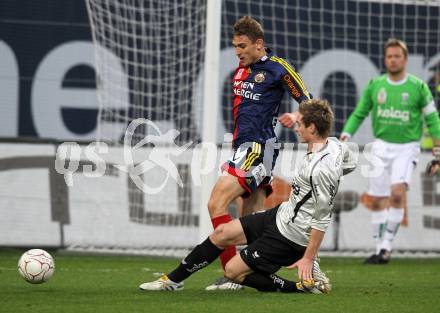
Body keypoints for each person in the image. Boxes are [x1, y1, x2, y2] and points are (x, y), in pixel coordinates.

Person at [139, 99, 356, 293]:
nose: (296, 128)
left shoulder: (320, 170)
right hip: (281, 215)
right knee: (222, 233)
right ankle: (172, 281)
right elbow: (350, 163)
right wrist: (336, 174)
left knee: (233, 272)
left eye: (300, 124)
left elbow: (322, 219)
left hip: (291, 236)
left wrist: (308, 257)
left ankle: (301, 287)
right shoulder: (336, 145)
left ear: (312, 127)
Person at [204, 16, 312, 290]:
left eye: (242, 46)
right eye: (235, 46)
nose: (237, 51)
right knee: (250, 221)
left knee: (216, 202)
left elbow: (307, 100)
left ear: (259, 44)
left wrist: (296, 114)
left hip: (259, 148)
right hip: (246, 148)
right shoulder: (242, 70)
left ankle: (230, 273)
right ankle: (259, 269)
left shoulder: (278, 68)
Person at [340, 38, 440, 264]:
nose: (393, 60)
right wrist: (346, 135)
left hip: (407, 147)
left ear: (405, 60)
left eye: (397, 56)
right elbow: (359, 113)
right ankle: (378, 249)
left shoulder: (418, 86)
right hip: (381, 146)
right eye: (389, 56)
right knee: (376, 201)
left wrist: (437, 150)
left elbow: (433, 119)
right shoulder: (376, 85)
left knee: (396, 193)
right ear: (385, 60)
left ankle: (386, 248)